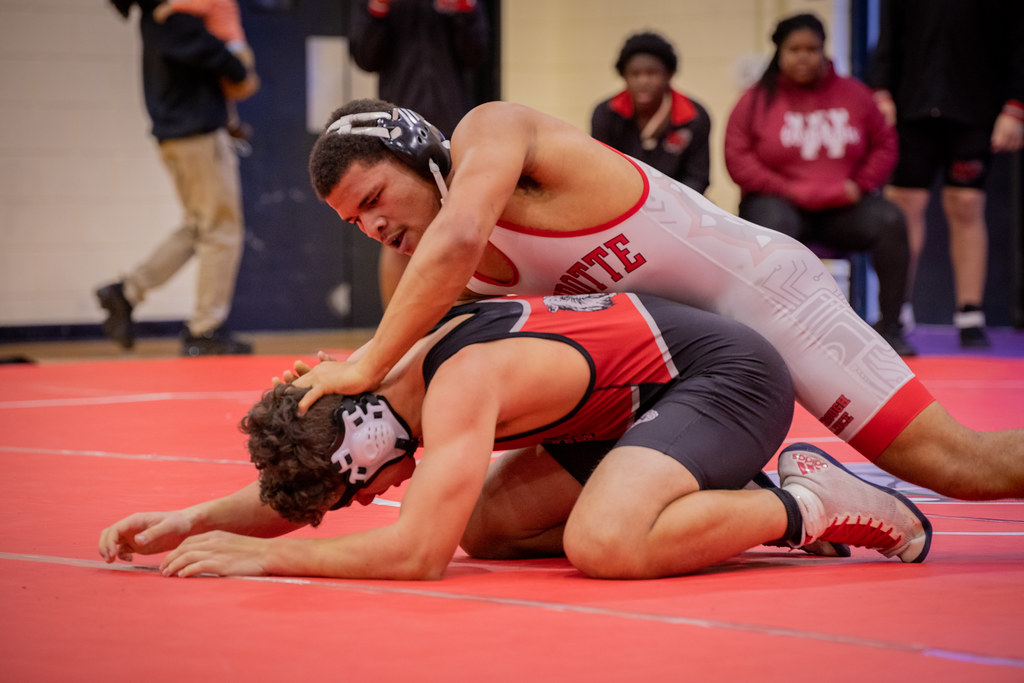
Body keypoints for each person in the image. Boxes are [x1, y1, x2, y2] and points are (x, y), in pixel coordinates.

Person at [299, 98, 1024, 503]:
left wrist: (365, 360)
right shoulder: (455, 274)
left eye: (373, 198)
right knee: (495, 518)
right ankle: (780, 504)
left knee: (957, 465)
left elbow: (456, 237)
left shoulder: (489, 134)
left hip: (766, 295)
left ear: (420, 152)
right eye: (354, 221)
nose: (374, 226)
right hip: (694, 372)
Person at [98, 292, 932, 580]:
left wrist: (267, 558)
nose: (381, 492)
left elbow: (416, 554)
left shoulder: (459, 383)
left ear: (362, 441)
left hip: (727, 383)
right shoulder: (382, 384)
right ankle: (719, 493)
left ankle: (809, 501)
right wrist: (193, 520)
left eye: (368, 486)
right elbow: (325, 480)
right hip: (641, 407)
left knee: (603, 542)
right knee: (487, 529)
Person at [725, 13, 913, 356]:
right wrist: (786, 188)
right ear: (779, 53)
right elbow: (738, 158)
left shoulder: (855, 94)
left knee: (890, 221)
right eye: (794, 49)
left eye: (811, 49)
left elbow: (885, 144)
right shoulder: (755, 100)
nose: (803, 56)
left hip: (842, 208)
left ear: (824, 51)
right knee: (770, 224)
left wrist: (861, 184)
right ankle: (771, 331)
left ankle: (891, 328)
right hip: (781, 204)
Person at [96, 0, 252, 356]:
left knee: (200, 227)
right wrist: (236, 59)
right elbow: (236, 69)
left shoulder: (160, 17)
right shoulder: (173, 18)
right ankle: (205, 330)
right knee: (222, 231)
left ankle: (128, 291)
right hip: (196, 137)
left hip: (179, 137)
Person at [867, 0, 1024, 348]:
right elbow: (887, 41)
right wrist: (880, 93)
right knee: (904, 207)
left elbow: (1018, 45)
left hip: (973, 111)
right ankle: (897, 312)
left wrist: (1015, 107)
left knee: (966, 204)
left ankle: (970, 315)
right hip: (912, 111)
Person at [348, 0, 491, 307]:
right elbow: (365, 56)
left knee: (462, 220)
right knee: (397, 229)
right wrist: (379, 7)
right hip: (397, 127)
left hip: (453, 126)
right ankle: (393, 331)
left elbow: (476, 54)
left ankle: (458, 321)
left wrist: (465, 9)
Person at [591, 31, 711, 194]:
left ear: (668, 75)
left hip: (679, 204)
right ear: (624, 77)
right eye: (635, 74)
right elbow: (601, 171)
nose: (643, 81)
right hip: (621, 200)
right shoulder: (606, 113)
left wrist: (667, 206)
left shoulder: (695, 116)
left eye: (652, 73)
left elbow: (698, 177)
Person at [153, 0, 261, 149]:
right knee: (224, 94)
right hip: (235, 46)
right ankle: (232, 122)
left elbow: (198, 5)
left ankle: (231, 122)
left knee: (236, 88)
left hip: (233, 49)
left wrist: (170, 6)